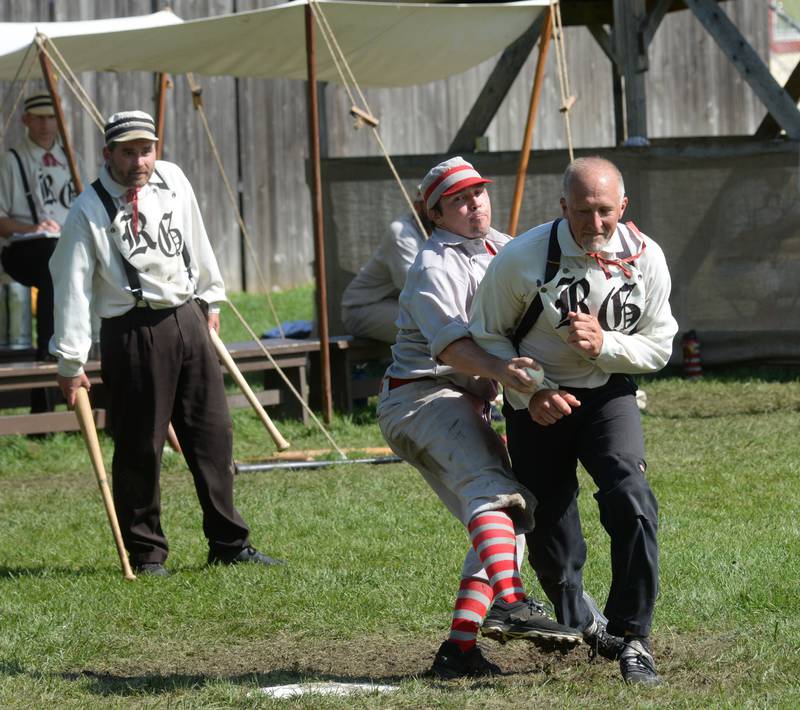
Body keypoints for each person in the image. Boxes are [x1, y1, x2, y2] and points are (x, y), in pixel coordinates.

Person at [468, 156, 678, 685]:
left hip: (608, 395)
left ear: (623, 207)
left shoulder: (647, 257)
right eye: (583, 211)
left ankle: (633, 637)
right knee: (554, 547)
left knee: (632, 499)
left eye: (605, 211)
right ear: (563, 207)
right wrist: (531, 391)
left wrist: (605, 344)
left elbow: (658, 345)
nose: (595, 223)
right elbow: (487, 335)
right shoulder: (521, 258)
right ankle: (579, 618)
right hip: (539, 403)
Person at [49, 110, 282, 577]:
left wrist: (211, 299)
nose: (140, 161)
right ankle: (148, 553)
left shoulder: (172, 178)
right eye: (129, 152)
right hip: (133, 331)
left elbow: (196, 237)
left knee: (213, 435)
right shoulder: (88, 210)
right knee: (141, 445)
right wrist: (70, 361)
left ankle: (229, 543)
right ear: (108, 154)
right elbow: (70, 286)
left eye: (147, 149)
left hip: (186, 317)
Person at [377, 157, 583, 679]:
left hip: (458, 401)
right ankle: (511, 603)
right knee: (494, 494)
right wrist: (503, 371)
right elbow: (450, 348)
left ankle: (459, 651)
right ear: (437, 213)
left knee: (505, 527)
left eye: (479, 193)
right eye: (460, 200)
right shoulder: (433, 265)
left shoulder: (504, 246)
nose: (475, 204)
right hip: (422, 398)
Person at [0, 93, 87, 411]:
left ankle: (79, 371)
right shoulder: (12, 159)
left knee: (71, 266)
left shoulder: (72, 157)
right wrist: (31, 228)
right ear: (25, 120)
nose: (46, 125)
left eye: (51, 118)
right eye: (38, 118)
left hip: (67, 248)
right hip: (24, 251)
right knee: (56, 265)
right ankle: (47, 371)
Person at [340, 194, 431, 343]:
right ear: (417, 207)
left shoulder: (448, 233)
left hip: (398, 305)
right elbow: (416, 289)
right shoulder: (401, 232)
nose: (437, 210)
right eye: (431, 204)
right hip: (362, 308)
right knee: (430, 325)